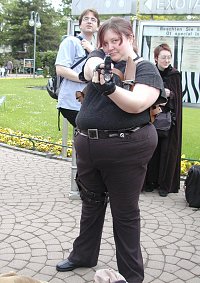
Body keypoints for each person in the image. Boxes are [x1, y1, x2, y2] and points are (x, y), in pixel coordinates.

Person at [56, 17, 166, 283]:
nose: (110, 47)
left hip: (126, 149)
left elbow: (136, 104)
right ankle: (83, 255)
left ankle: (130, 274)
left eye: (117, 41)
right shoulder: (101, 57)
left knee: (125, 212)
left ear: (131, 38)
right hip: (89, 146)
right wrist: (97, 67)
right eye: (106, 42)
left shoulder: (146, 69)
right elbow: (88, 66)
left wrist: (109, 87)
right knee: (90, 204)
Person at [144, 43, 182, 197]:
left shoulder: (174, 75)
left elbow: (178, 98)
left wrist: (170, 95)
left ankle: (164, 185)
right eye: (163, 57)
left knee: (166, 152)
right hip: (151, 118)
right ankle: (149, 182)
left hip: (168, 120)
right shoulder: (150, 73)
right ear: (156, 58)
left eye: (168, 57)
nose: (166, 60)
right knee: (150, 150)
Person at [55, 9, 100, 127]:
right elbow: (60, 69)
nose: (89, 22)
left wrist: (92, 50)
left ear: (97, 27)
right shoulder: (71, 42)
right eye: (86, 19)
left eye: (93, 20)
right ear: (80, 25)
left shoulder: (96, 49)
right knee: (85, 133)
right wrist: (84, 78)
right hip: (72, 101)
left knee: (86, 135)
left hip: (89, 102)